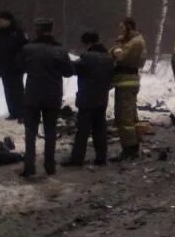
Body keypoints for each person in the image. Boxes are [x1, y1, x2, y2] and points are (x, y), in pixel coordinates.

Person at [16, 18, 74, 177]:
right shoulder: (60, 50)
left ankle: (29, 167)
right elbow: (69, 72)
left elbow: (19, 66)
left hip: (32, 95)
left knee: (30, 132)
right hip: (52, 96)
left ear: (37, 30)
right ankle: (50, 166)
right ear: (51, 30)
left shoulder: (27, 49)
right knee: (50, 132)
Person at [63, 31, 114, 167]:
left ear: (88, 43)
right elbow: (112, 79)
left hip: (87, 100)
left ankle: (77, 159)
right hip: (102, 99)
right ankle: (101, 158)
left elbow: (71, 70)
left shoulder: (86, 58)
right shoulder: (108, 58)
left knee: (83, 131)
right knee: (100, 130)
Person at [110, 17, 146, 162]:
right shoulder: (130, 41)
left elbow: (119, 56)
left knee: (125, 117)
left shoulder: (135, 42)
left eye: (123, 28)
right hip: (124, 81)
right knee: (129, 115)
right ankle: (132, 146)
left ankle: (130, 149)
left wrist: (117, 48)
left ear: (129, 27)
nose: (121, 31)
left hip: (127, 82)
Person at [0, 11, 27, 121]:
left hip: (16, 66)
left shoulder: (18, 32)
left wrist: (20, 61)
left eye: (2, 20)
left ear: (8, 20)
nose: (0, 23)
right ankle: (13, 112)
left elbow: (25, 48)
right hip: (4, 66)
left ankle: (22, 112)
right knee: (8, 90)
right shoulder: (1, 32)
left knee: (17, 90)